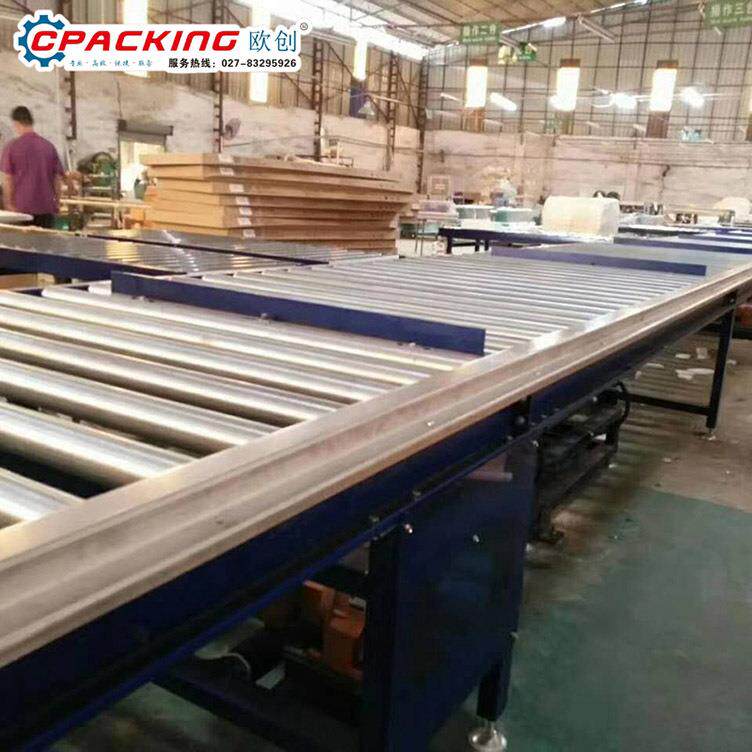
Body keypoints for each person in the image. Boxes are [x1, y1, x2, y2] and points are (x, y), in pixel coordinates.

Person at [1, 106, 65, 228]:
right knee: (45, 240)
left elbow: (7, 179)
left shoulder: (11, 147)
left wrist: (8, 204)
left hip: (20, 210)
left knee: (21, 241)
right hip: (46, 208)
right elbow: (57, 179)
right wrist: (56, 202)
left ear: (16, 124)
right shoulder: (48, 146)